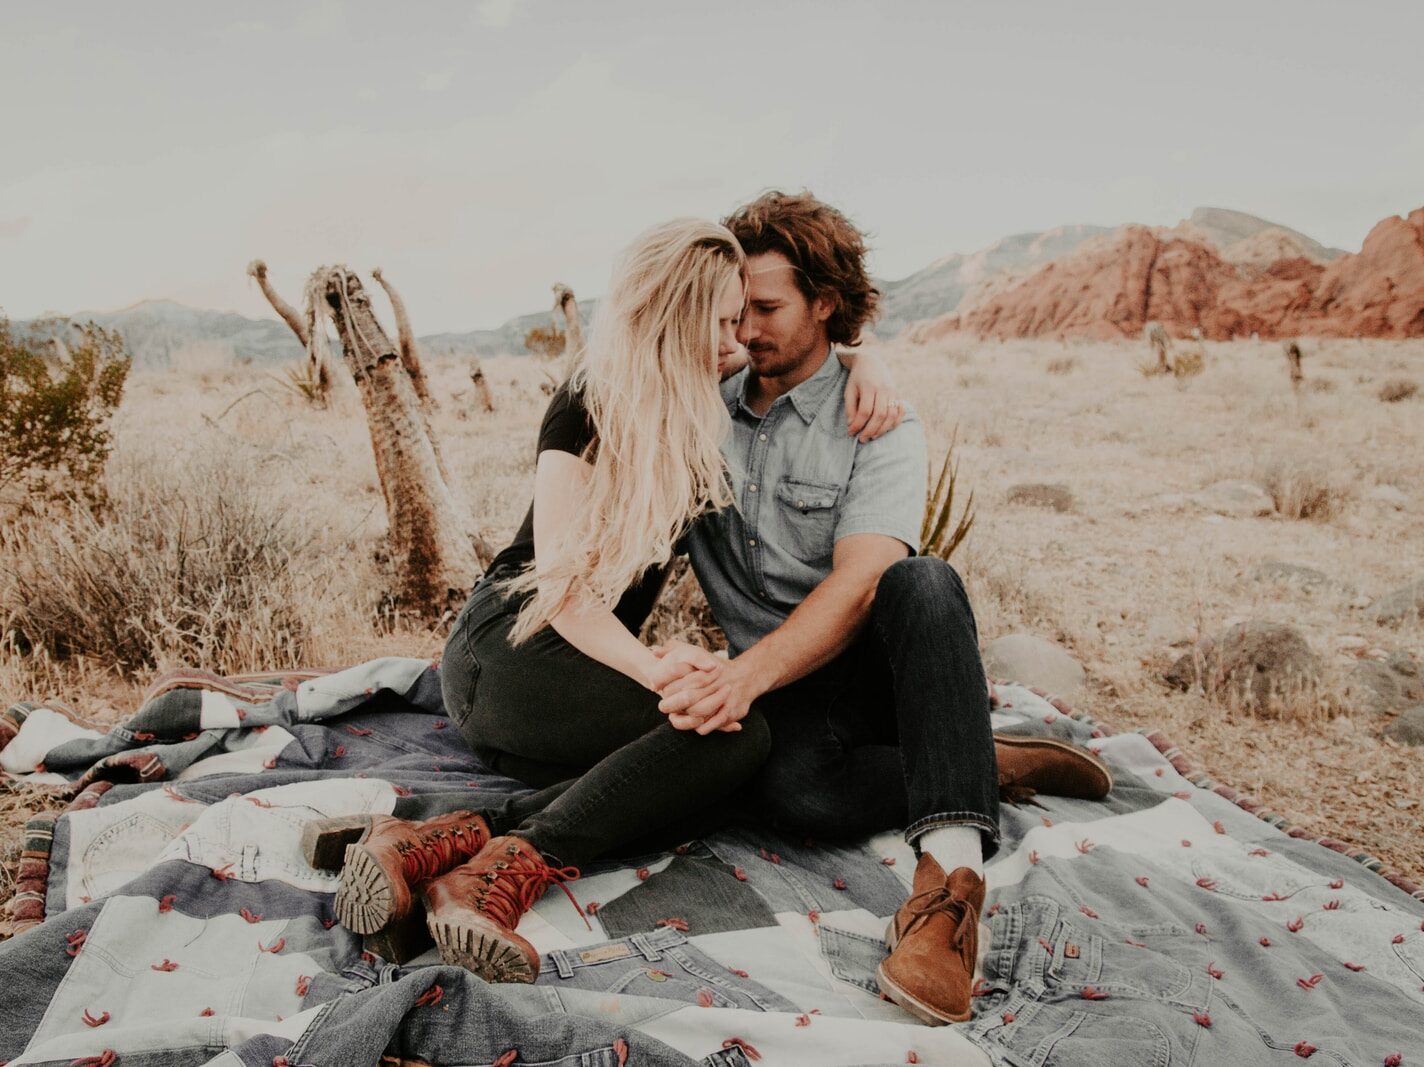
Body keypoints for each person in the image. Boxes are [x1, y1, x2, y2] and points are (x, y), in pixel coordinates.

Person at [309, 217, 905, 983]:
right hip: (511, 650)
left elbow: (799, 358)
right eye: (724, 321)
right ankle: (489, 870)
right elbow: (563, 593)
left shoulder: (700, 403)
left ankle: (432, 842)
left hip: (576, 683)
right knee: (733, 741)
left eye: (743, 319)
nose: (737, 341)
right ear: (678, 316)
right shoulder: (589, 403)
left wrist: (862, 358)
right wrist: (655, 668)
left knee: (710, 776)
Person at [655, 191, 1112, 1026]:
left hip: (870, 670)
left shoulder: (879, 419)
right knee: (796, 798)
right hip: (788, 689)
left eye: (766, 308)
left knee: (921, 578)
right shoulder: (696, 408)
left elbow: (863, 582)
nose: (744, 330)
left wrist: (741, 677)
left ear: (825, 304)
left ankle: (946, 895)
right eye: (734, 309)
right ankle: (978, 761)